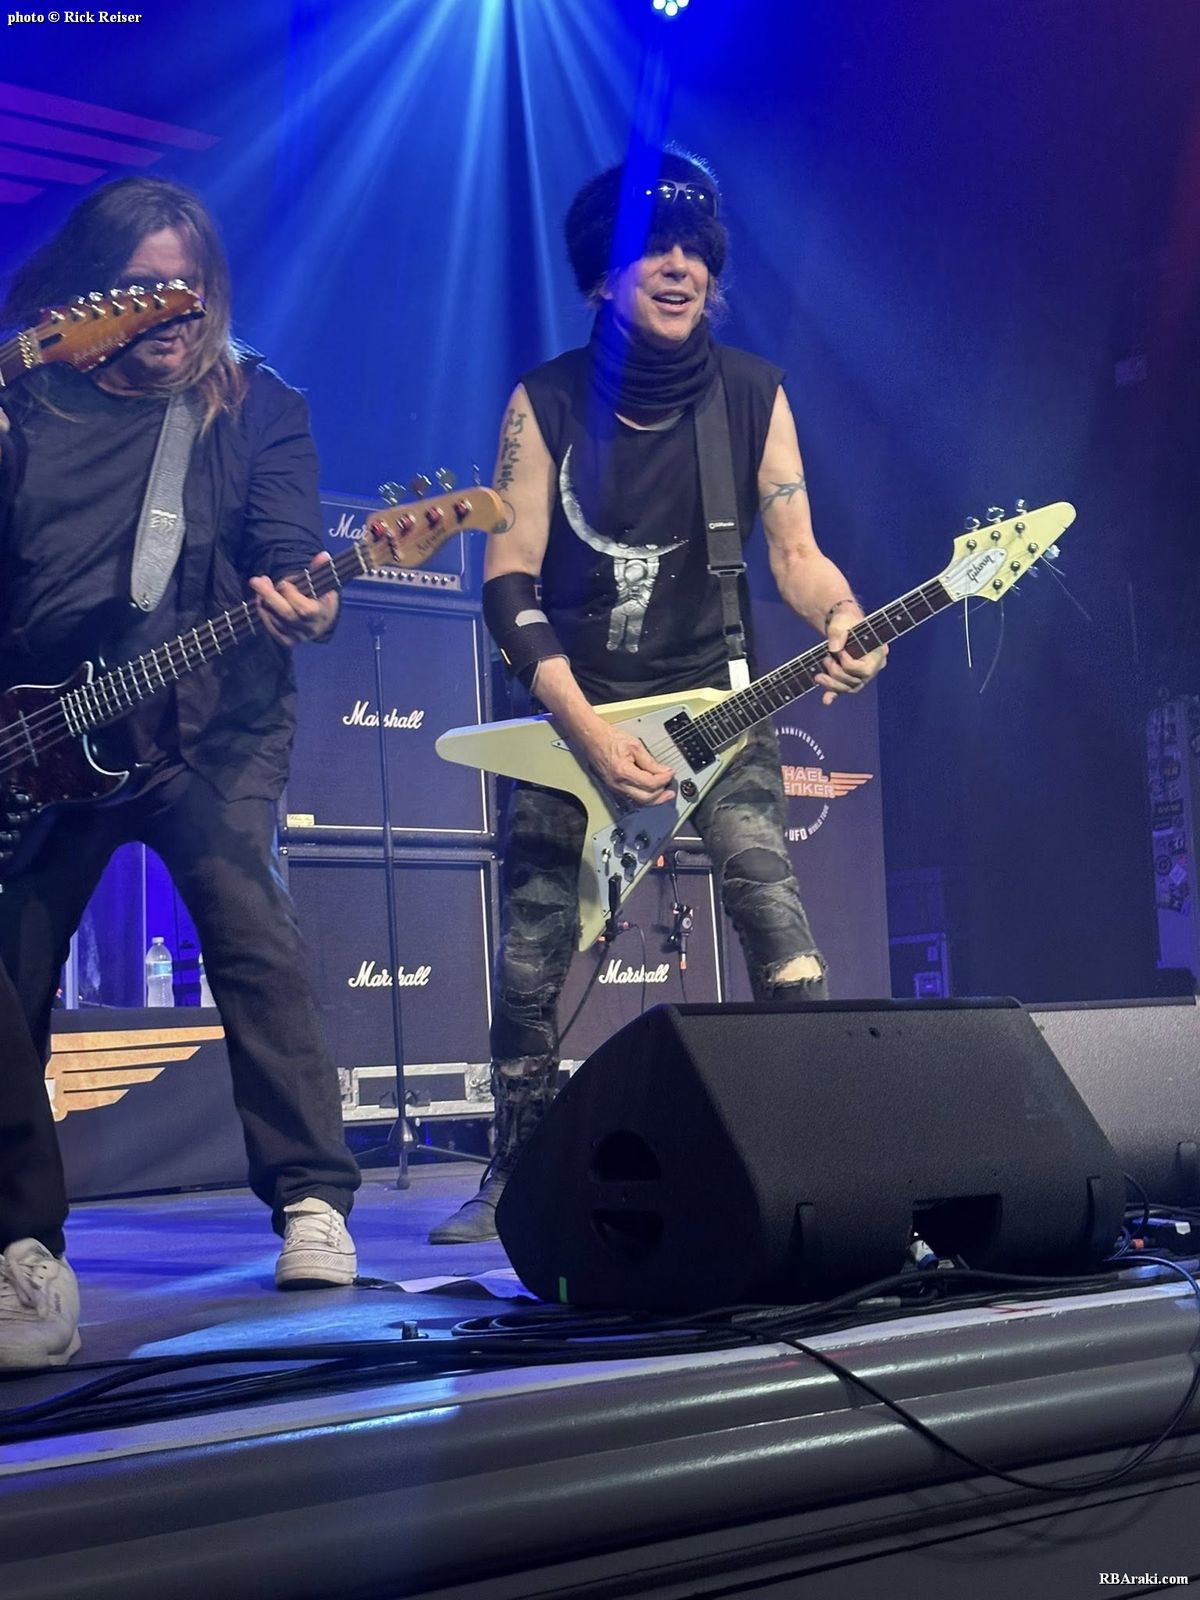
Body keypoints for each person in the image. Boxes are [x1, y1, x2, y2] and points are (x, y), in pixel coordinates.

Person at [429, 147, 888, 1245]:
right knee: (530, 952)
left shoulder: (754, 394)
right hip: (575, 719)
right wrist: (586, 731)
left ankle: (813, 1148)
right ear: (603, 272)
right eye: (652, 248)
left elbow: (797, 555)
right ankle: (518, 1165)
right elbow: (508, 584)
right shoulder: (544, 402)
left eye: (695, 249)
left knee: (773, 910)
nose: (678, 266)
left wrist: (843, 617)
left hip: (717, 707)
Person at [0, 177, 360, 1368]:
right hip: (41, 737)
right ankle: (20, 1246)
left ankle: (312, 1197)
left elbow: (288, 552)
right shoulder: (26, 403)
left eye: (190, 290)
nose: (174, 313)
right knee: (10, 974)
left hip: (213, 729)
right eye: (145, 291)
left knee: (254, 938)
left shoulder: (256, 404)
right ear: (86, 297)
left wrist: (306, 602)